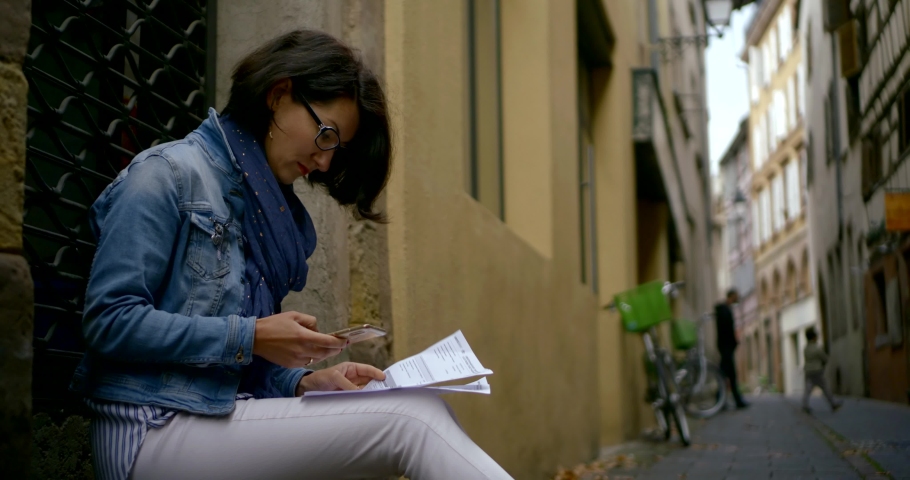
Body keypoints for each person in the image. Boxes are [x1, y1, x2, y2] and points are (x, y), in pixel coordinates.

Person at [70, 29, 513, 480]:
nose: (324, 163)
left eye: (336, 150)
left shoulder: (270, 215)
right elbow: (109, 322)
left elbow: (234, 374)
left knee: (417, 411)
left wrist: (300, 382)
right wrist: (250, 336)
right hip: (151, 428)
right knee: (410, 422)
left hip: (219, 419)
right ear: (279, 93)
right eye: (326, 135)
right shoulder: (166, 174)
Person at [714, 288, 749, 409]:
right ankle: (729, 400)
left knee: (726, 374)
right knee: (728, 374)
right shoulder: (724, 310)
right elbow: (726, 330)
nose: (738, 298)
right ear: (732, 296)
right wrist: (732, 342)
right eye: (736, 296)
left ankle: (722, 399)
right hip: (726, 347)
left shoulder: (725, 309)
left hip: (726, 347)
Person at [801, 328, 843, 414]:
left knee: (807, 389)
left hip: (808, 371)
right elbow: (825, 358)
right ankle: (833, 403)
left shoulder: (806, 349)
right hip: (817, 371)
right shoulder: (817, 348)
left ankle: (805, 405)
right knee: (825, 388)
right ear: (813, 337)